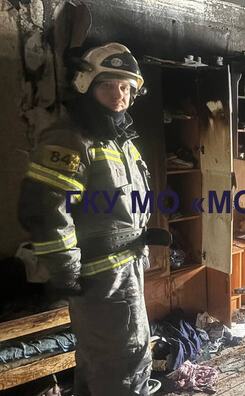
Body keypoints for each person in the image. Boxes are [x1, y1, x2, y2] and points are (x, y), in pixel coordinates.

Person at [18, 43, 168, 396]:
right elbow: (47, 209)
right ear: (87, 86)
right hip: (100, 276)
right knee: (124, 364)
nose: (119, 95)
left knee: (102, 361)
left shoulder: (118, 139)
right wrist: (66, 269)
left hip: (125, 267)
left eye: (126, 87)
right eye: (108, 85)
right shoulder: (71, 138)